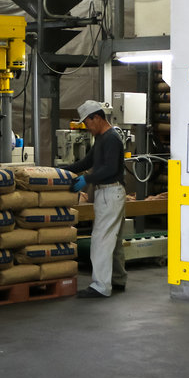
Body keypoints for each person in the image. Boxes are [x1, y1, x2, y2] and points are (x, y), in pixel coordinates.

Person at [65, 100, 127, 298]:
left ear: (97, 118)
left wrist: (86, 179)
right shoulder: (100, 138)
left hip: (110, 192)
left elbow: (109, 169)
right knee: (113, 240)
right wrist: (61, 171)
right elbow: (87, 161)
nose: (86, 126)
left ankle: (101, 286)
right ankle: (117, 279)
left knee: (100, 240)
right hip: (107, 193)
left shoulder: (112, 138)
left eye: (87, 122)